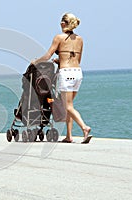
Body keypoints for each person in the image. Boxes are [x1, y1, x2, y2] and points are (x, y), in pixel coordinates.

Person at [32, 12, 92, 144]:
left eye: (61, 21)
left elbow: (47, 56)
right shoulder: (80, 39)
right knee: (68, 106)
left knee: (68, 106)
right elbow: (78, 59)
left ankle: (84, 127)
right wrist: (60, 60)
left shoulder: (58, 37)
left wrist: (36, 61)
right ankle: (69, 136)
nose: (59, 23)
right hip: (77, 73)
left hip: (66, 74)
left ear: (64, 23)